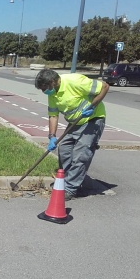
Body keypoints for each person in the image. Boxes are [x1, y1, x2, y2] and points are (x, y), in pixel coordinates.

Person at [34, 69, 109, 201]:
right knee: (64, 150)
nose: (43, 91)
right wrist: (52, 136)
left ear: (52, 82)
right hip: (75, 122)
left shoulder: (75, 81)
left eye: (44, 88)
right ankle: (68, 181)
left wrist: (92, 106)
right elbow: (53, 115)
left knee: (81, 154)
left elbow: (105, 86)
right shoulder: (52, 94)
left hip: (93, 119)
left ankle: (70, 188)